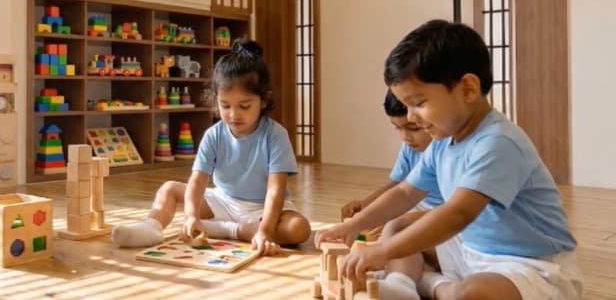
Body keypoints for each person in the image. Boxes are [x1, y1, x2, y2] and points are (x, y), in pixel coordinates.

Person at [316, 20, 582, 299]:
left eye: (418, 104)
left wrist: (383, 251)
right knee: (398, 227)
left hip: (531, 266)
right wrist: (353, 225)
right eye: (406, 107)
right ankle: (403, 286)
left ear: (467, 89)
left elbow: (458, 213)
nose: (411, 117)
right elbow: (406, 192)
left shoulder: (497, 142)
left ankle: (432, 284)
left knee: (473, 293)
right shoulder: (443, 141)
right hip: (471, 251)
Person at [112, 39, 311, 256]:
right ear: (215, 100)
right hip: (223, 201)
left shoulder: (275, 135)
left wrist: (264, 230)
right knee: (169, 188)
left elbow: (275, 191)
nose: (234, 114)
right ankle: (152, 227)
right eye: (225, 106)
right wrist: (190, 215)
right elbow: (197, 181)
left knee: (299, 229)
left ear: (263, 101)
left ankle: (227, 230)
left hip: (262, 209)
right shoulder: (214, 134)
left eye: (244, 106)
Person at [340, 89, 443, 222]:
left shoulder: (444, 148)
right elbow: (399, 187)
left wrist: (411, 220)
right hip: (418, 204)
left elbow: (458, 209)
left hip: (444, 211)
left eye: (414, 128)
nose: (405, 137)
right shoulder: (409, 148)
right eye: (397, 127)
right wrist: (365, 205)